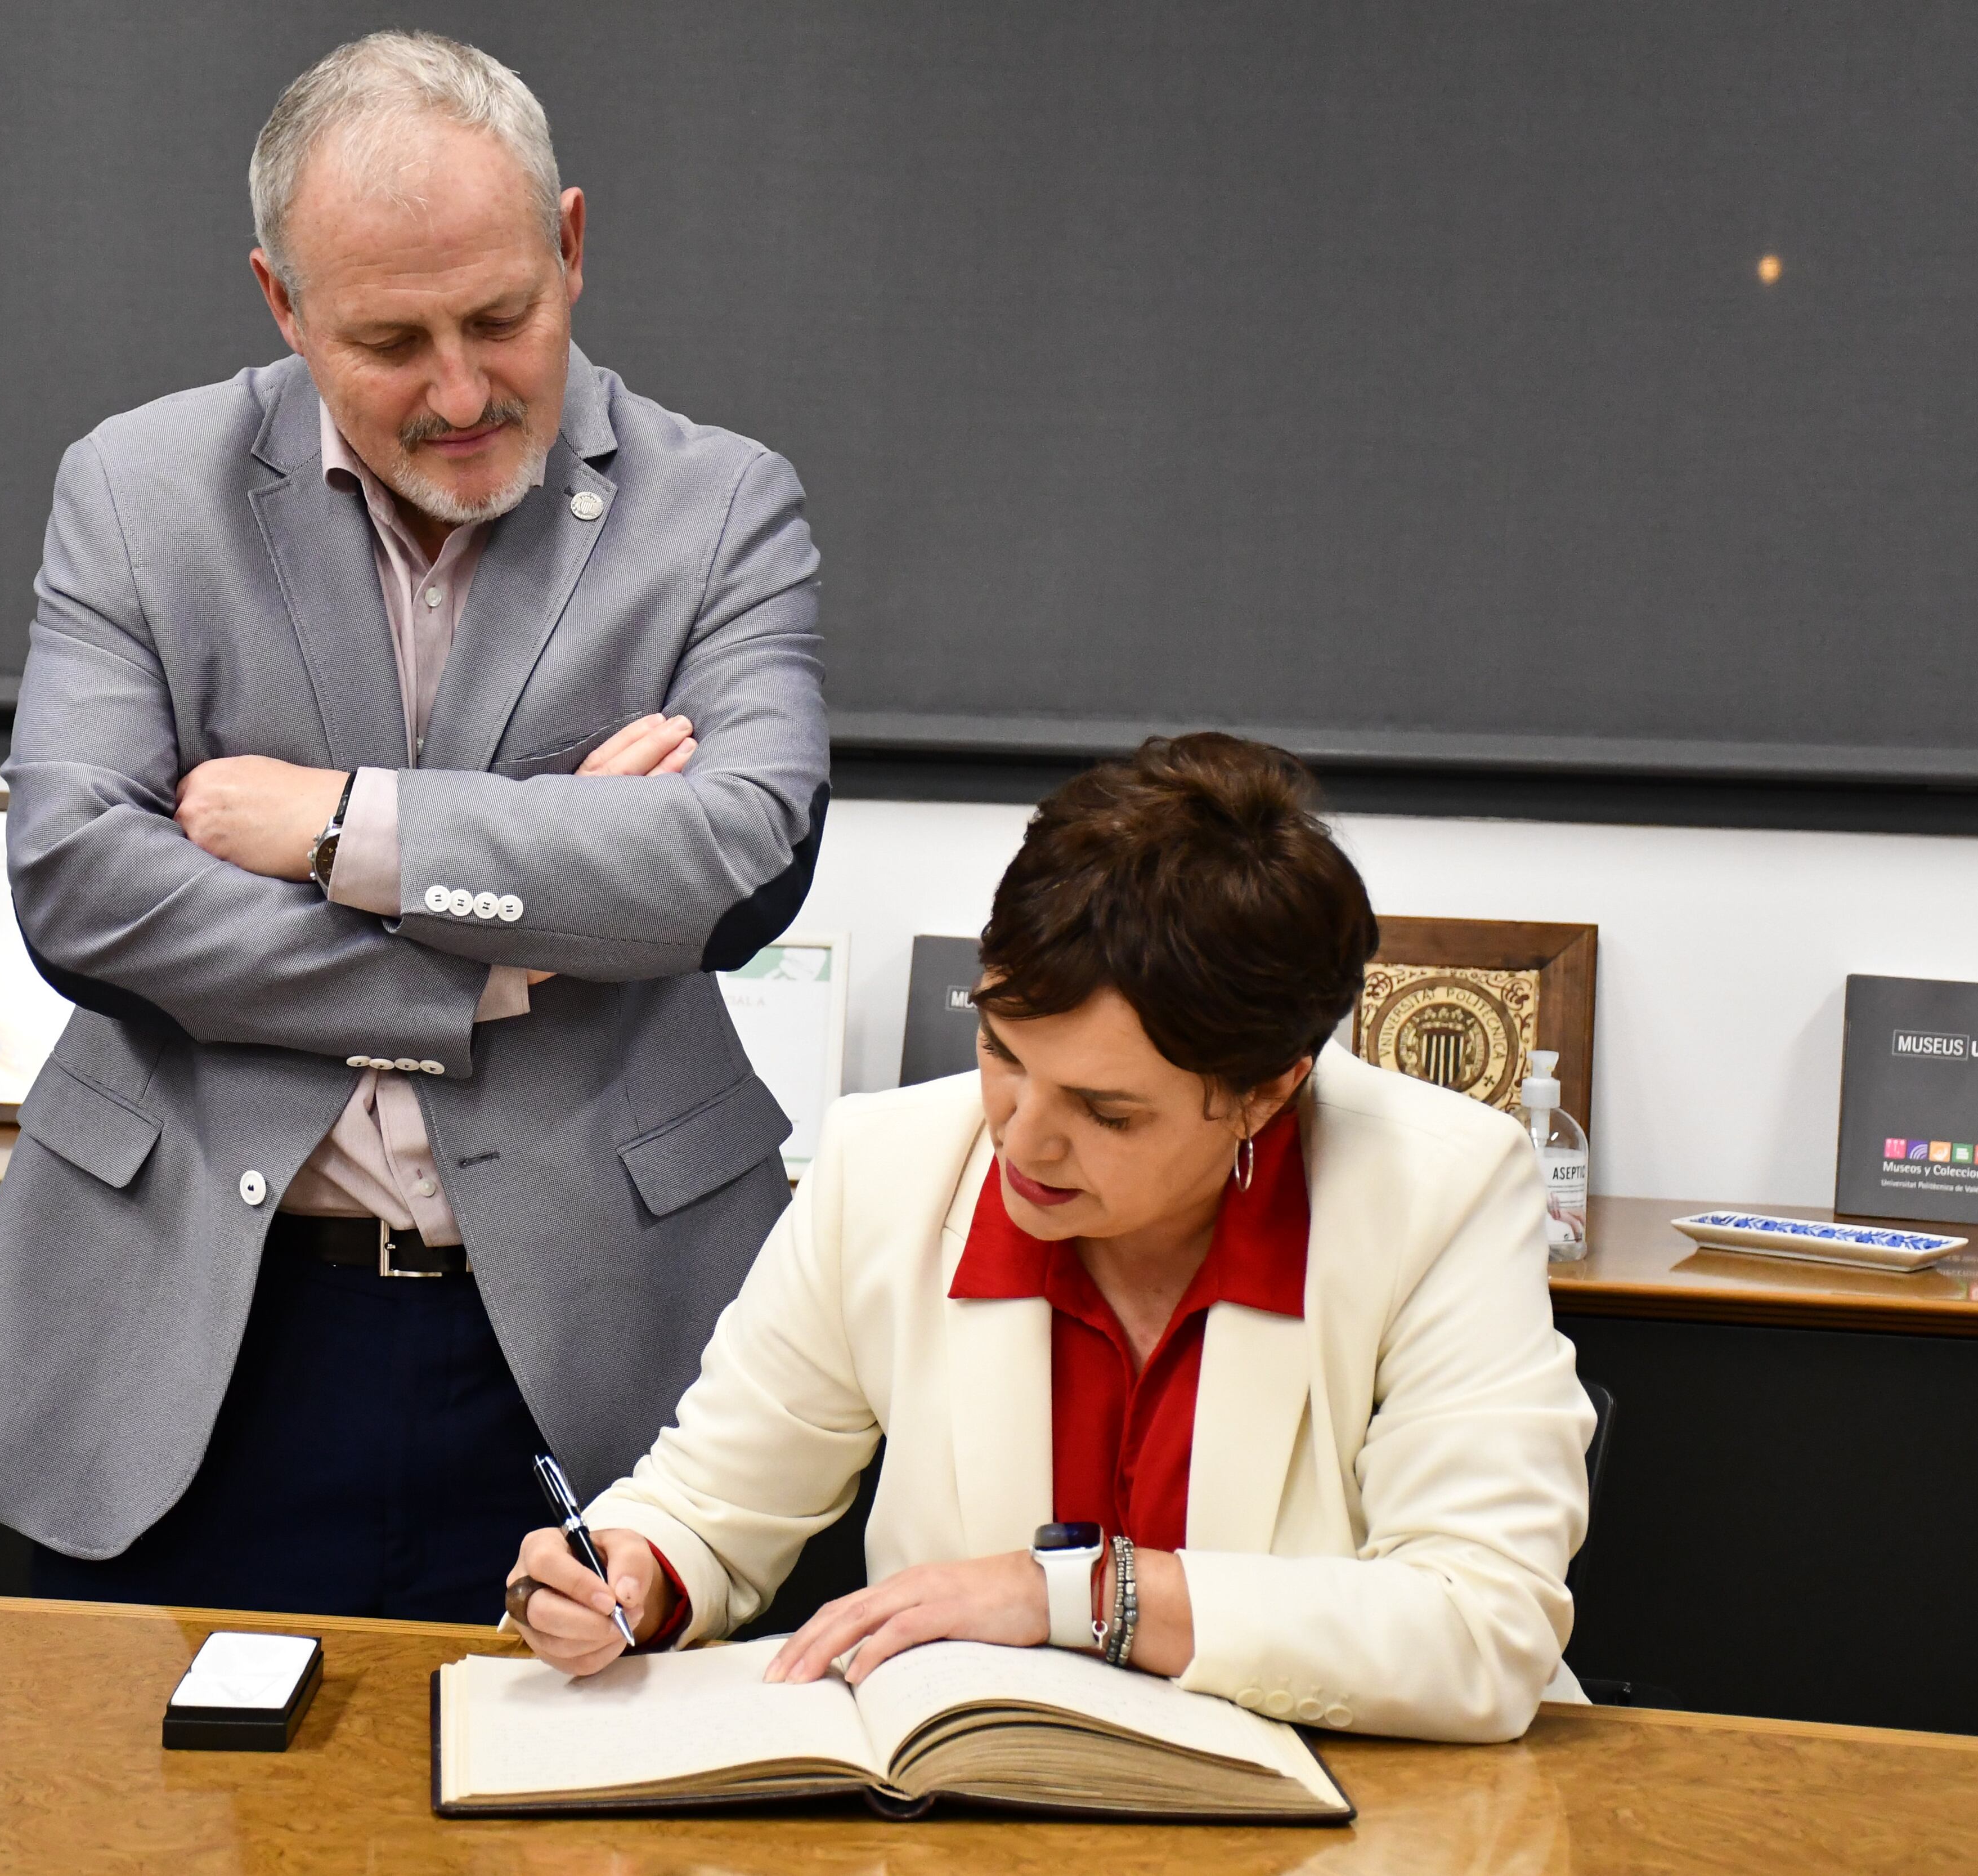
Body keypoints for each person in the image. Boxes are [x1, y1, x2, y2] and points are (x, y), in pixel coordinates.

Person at [0, 30, 829, 1621]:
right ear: (281, 303)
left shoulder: (725, 506)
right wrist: (501, 943)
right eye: (393, 340)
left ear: (573, 244)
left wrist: (339, 826)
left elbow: (734, 859)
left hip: (602, 1337)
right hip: (200, 1329)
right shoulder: (137, 492)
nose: (464, 391)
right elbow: (78, 883)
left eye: (502, 318)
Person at [505, 735, 1594, 1743]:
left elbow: (1481, 1626)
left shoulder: (1440, 1189)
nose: (1021, 1136)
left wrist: (1074, 1596)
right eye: (1001, 1051)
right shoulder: (887, 1166)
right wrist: (630, 1572)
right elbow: (711, 1503)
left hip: (1341, 1817)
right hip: (982, 1812)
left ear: (1268, 1091)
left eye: (1108, 1113)